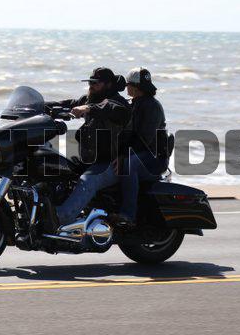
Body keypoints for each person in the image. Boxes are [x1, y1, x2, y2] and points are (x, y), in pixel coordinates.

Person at [46, 67, 130, 226]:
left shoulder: (119, 104)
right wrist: (38, 106)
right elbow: (67, 104)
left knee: (88, 180)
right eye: (90, 82)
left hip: (112, 163)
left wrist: (88, 109)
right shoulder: (91, 99)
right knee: (56, 166)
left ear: (108, 85)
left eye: (95, 83)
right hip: (90, 160)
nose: (91, 86)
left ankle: (59, 219)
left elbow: (110, 108)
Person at [114, 67, 167, 225]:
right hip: (139, 152)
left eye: (128, 85)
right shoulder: (135, 103)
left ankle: (128, 215)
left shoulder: (152, 107)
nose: (126, 88)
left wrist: (122, 156)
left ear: (136, 87)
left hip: (154, 158)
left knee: (129, 166)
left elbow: (144, 140)